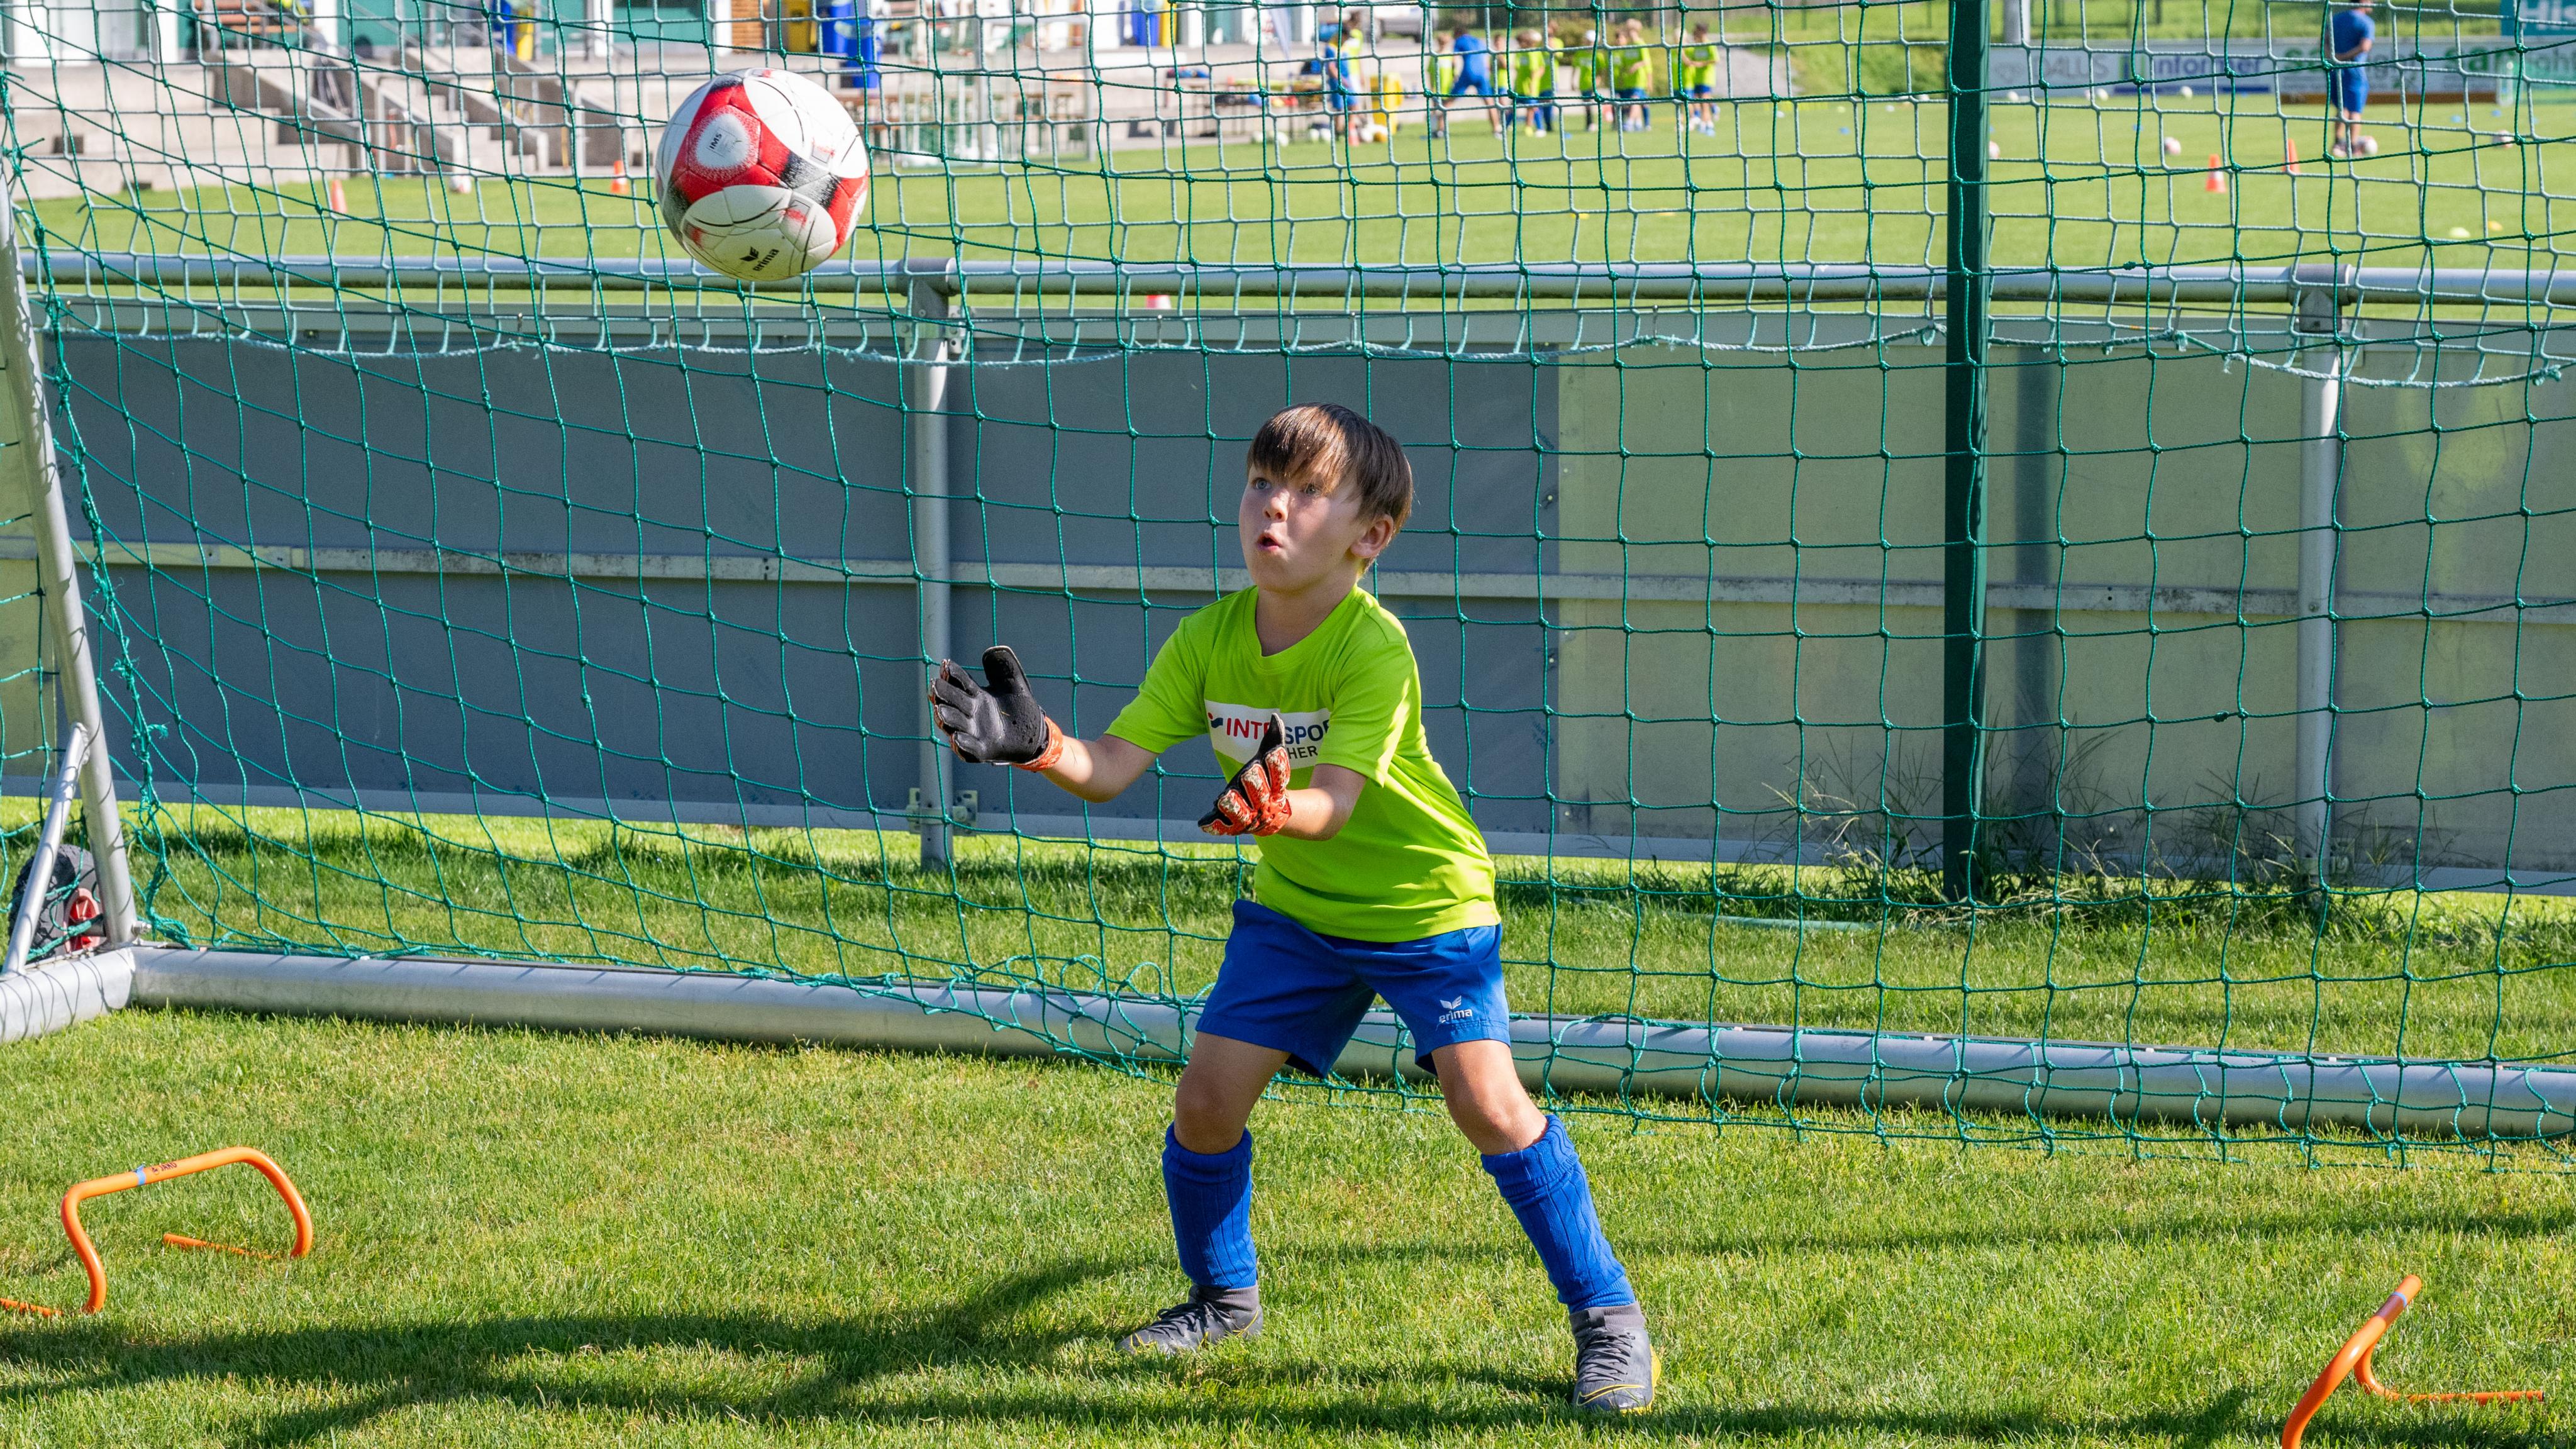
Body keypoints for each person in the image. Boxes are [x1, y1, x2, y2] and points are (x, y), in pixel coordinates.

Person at [926, 404, 1661, 1415]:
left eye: (1311, 492)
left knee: (1488, 1106)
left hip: (1425, 905)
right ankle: (1222, 1300)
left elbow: (1336, 804)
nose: (1275, 505)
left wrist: (1276, 806)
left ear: (1371, 536)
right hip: (1299, 914)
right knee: (1205, 1104)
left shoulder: (1373, 649)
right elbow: (1113, 766)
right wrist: (1042, 745)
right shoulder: (1207, 640)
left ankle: (1609, 1320)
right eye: (1263, 483)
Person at [2328, 0, 2374, 158]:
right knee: (2355, 111)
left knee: (2342, 108)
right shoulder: (2366, 22)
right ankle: (2353, 146)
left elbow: (2325, 41)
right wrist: (2345, 57)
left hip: (2335, 69)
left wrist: (2334, 57)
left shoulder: (2336, 19)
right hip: (2354, 70)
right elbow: (2365, 47)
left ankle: (2337, 143)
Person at [1444, 23, 1503, 137]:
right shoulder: (1478, 41)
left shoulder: (1459, 41)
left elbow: (1454, 59)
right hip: (1482, 73)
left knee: (1450, 100)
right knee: (1490, 102)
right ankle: (1497, 129)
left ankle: (1440, 129)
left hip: (1468, 72)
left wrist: (1453, 74)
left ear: (1457, 34)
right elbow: (1485, 58)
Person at [1509, 28, 1555, 135]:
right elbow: (1517, 68)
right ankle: (1504, 128)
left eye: (1521, 42)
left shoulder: (1534, 53)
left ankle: (1538, 128)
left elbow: (1538, 69)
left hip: (1531, 87)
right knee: (1512, 107)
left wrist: (1533, 83)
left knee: (1533, 107)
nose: (1520, 44)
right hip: (1519, 86)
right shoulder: (1519, 53)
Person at [1611, 19, 1653, 132]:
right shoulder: (1628, 46)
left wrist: (1637, 66)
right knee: (1633, 103)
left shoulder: (1641, 44)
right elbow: (1624, 64)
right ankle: (1637, 123)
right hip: (1628, 80)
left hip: (1639, 79)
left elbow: (1647, 61)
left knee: (1635, 100)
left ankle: (1629, 123)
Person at [1679, 22, 1719, 135]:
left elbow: (1715, 59)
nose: (1695, 32)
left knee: (1704, 103)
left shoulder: (1709, 45)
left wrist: (1701, 64)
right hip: (1696, 79)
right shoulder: (1696, 46)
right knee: (1699, 103)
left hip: (1706, 78)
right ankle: (1707, 123)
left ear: (1702, 32)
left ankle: (1707, 125)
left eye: (1697, 30)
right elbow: (1689, 57)